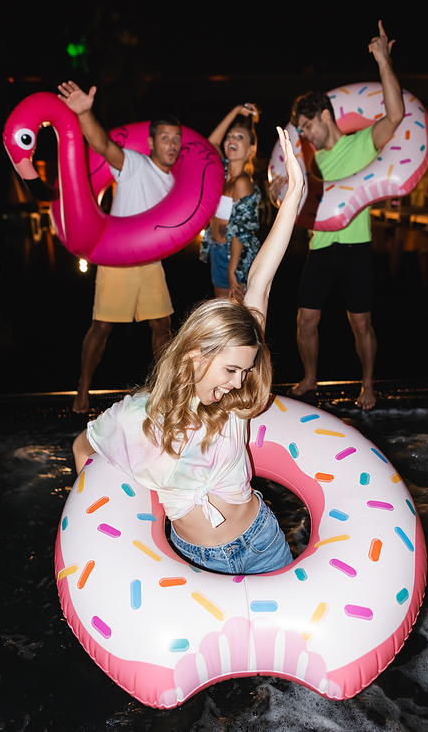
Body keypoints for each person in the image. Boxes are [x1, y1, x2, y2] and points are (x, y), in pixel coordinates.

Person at [72, 127, 305, 575]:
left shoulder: (234, 404)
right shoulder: (136, 416)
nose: (241, 382)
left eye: (245, 370)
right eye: (233, 369)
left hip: (261, 543)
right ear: (199, 354)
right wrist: (90, 519)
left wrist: (292, 196)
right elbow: (83, 447)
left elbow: (261, 280)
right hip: (191, 558)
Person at [272, 21, 404, 410]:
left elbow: (395, 116)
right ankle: (310, 378)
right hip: (321, 248)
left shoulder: (362, 143)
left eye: (309, 126)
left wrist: (382, 60)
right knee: (305, 321)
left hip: (355, 246)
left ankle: (367, 384)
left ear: (326, 116)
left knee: (360, 323)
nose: (307, 135)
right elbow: (285, 193)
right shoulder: (311, 162)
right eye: (303, 129)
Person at [57, 80, 181, 414]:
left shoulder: (174, 182)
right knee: (101, 327)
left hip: (150, 261)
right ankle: (82, 388)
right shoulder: (134, 164)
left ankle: (167, 388)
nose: (172, 143)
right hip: (117, 259)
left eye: (176, 138)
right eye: (165, 137)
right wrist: (85, 113)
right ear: (152, 141)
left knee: (162, 326)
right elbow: (102, 143)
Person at [199, 104, 261, 300]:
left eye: (239, 137)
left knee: (236, 320)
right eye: (230, 136)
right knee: (224, 315)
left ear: (251, 150)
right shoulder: (222, 174)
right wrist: (235, 111)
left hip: (234, 256)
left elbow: (241, 230)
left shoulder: (242, 182)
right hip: (217, 252)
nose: (231, 139)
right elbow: (210, 144)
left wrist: (233, 268)